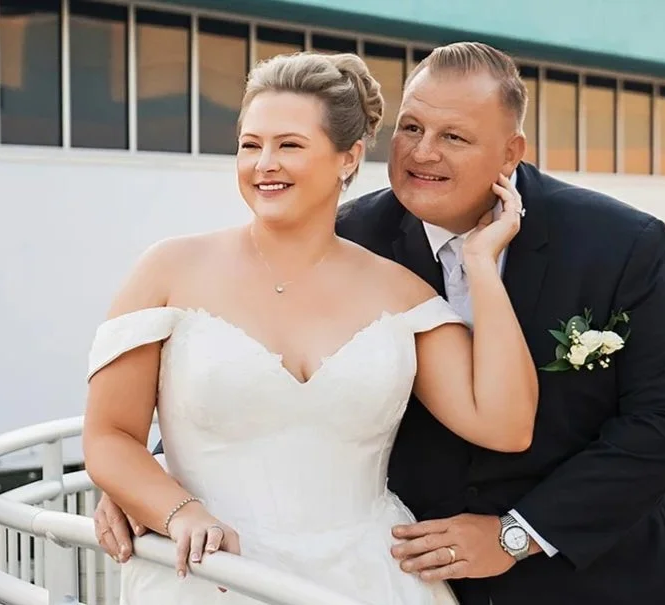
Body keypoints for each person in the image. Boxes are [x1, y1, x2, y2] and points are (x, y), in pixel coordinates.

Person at [94, 41, 665, 605]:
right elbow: (242, 380)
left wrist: (519, 536)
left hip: (594, 576)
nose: (422, 153)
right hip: (391, 568)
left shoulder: (620, 244)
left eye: (453, 137)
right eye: (411, 127)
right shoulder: (346, 232)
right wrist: (149, 487)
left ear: (512, 152)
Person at [82, 50, 538, 605]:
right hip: (209, 572)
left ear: (348, 157)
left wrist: (482, 264)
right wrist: (174, 508)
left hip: (371, 577)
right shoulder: (169, 270)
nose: (263, 164)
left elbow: (506, 425)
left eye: (289, 145)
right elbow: (109, 435)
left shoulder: (403, 294)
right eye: (251, 145)